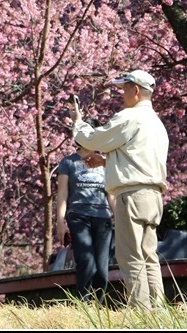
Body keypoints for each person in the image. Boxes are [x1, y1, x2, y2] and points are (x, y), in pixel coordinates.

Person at [71, 69, 169, 309]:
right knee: (149, 256)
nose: (122, 94)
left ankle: (142, 312)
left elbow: (95, 139)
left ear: (136, 90)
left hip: (133, 195)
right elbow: (138, 158)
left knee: (130, 256)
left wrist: (78, 123)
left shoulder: (130, 117)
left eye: (125, 89)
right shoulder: (157, 124)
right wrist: (107, 162)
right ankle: (158, 311)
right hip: (153, 196)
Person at [56, 142, 115, 303]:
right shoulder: (69, 162)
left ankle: (98, 306)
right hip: (78, 215)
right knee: (86, 261)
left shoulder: (104, 161)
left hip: (103, 217)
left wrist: (118, 216)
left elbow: (111, 194)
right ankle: (83, 303)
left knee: (102, 268)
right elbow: (62, 194)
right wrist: (60, 222)